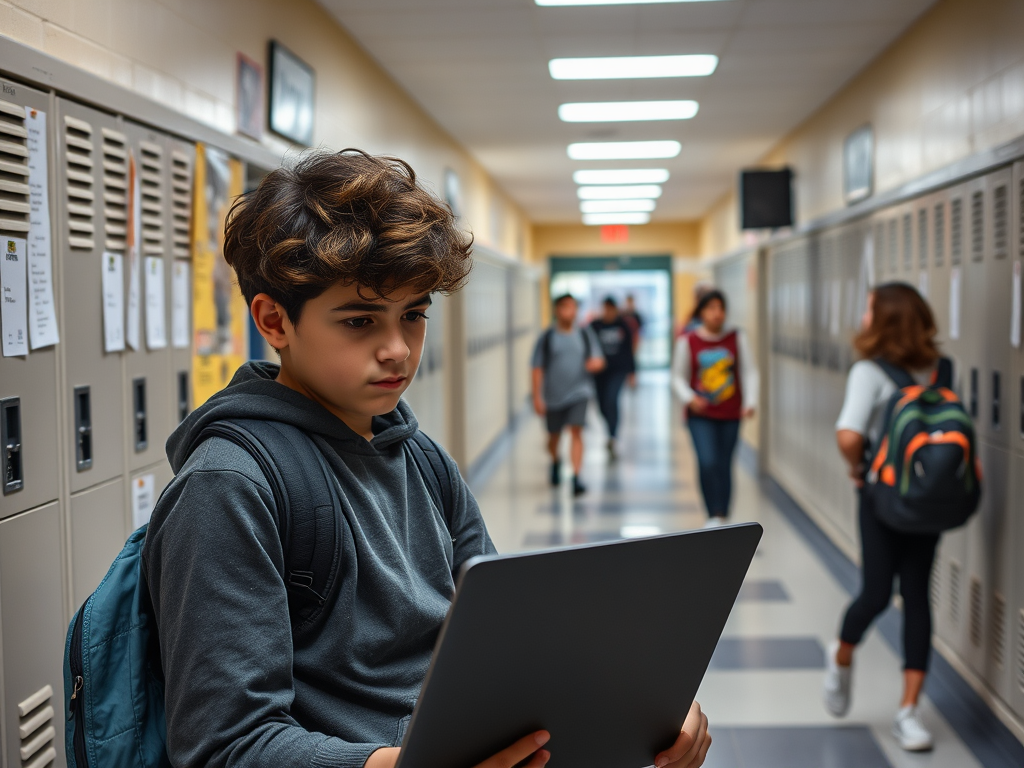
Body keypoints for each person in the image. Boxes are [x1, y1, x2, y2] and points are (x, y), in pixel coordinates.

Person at [144, 150, 712, 768]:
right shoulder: (230, 487)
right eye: (360, 320)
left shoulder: (422, 459)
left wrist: (636, 704)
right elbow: (225, 747)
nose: (398, 350)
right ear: (274, 320)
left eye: (413, 315)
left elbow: (511, 639)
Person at [824, 283, 945, 752]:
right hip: (920, 498)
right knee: (882, 592)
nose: (863, 315)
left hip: (892, 493)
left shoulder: (869, 372)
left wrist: (857, 468)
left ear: (884, 319)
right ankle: (841, 658)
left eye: (869, 308)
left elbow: (848, 435)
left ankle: (908, 710)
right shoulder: (938, 367)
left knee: (909, 595)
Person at [671, 289, 758, 526]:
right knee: (707, 461)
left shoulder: (737, 337)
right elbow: (677, 377)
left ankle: (723, 513)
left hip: (730, 413)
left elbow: (749, 371)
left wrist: (750, 401)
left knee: (724, 463)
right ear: (701, 313)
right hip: (700, 414)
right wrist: (690, 398)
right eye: (711, 309)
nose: (717, 314)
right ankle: (712, 514)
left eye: (721, 309)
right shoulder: (688, 341)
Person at [532, 294, 605, 496]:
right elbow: (537, 368)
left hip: (580, 392)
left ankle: (576, 477)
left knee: (576, 431)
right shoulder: (547, 338)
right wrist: (537, 397)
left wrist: (595, 364)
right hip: (553, 396)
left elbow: (599, 359)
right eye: (566, 307)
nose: (570, 312)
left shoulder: (584, 333)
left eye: (574, 307)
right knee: (553, 437)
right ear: (557, 310)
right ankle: (555, 461)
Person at [590, 296, 636, 460]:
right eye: (606, 308)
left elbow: (630, 350)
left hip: (618, 371)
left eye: (611, 308)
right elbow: (588, 348)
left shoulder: (623, 325)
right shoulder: (595, 326)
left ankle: (613, 436)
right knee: (602, 405)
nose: (608, 312)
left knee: (612, 400)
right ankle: (609, 428)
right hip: (599, 373)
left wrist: (632, 373)